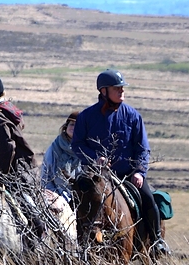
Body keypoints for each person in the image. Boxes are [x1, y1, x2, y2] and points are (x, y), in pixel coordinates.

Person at [70, 69, 167, 255]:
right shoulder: (86, 116)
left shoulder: (133, 116)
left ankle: (157, 241)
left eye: (122, 88)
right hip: (96, 177)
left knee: (149, 200)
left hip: (127, 174)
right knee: (76, 202)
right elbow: (78, 145)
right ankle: (78, 246)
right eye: (117, 88)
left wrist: (139, 172)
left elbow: (142, 148)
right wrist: (94, 159)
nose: (122, 91)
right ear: (104, 91)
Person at [40, 111, 80, 204]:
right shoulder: (54, 148)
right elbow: (46, 175)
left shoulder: (85, 150)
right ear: (66, 127)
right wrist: (54, 197)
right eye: (72, 124)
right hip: (56, 195)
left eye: (78, 126)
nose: (74, 128)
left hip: (80, 197)